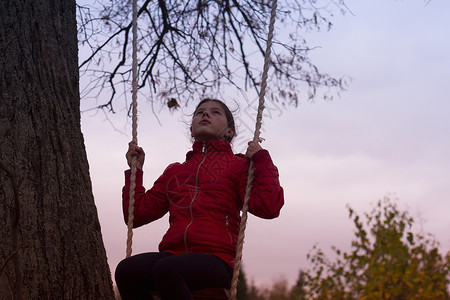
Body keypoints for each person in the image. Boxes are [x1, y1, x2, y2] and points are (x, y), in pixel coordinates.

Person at [115, 98, 284, 300]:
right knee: (127, 270)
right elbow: (137, 215)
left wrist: (262, 158)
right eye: (200, 112)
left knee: (167, 269)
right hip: (173, 256)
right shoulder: (176, 172)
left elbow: (268, 207)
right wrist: (137, 170)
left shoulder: (240, 166)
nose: (205, 115)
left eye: (215, 112)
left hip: (216, 259)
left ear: (229, 132)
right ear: (192, 129)